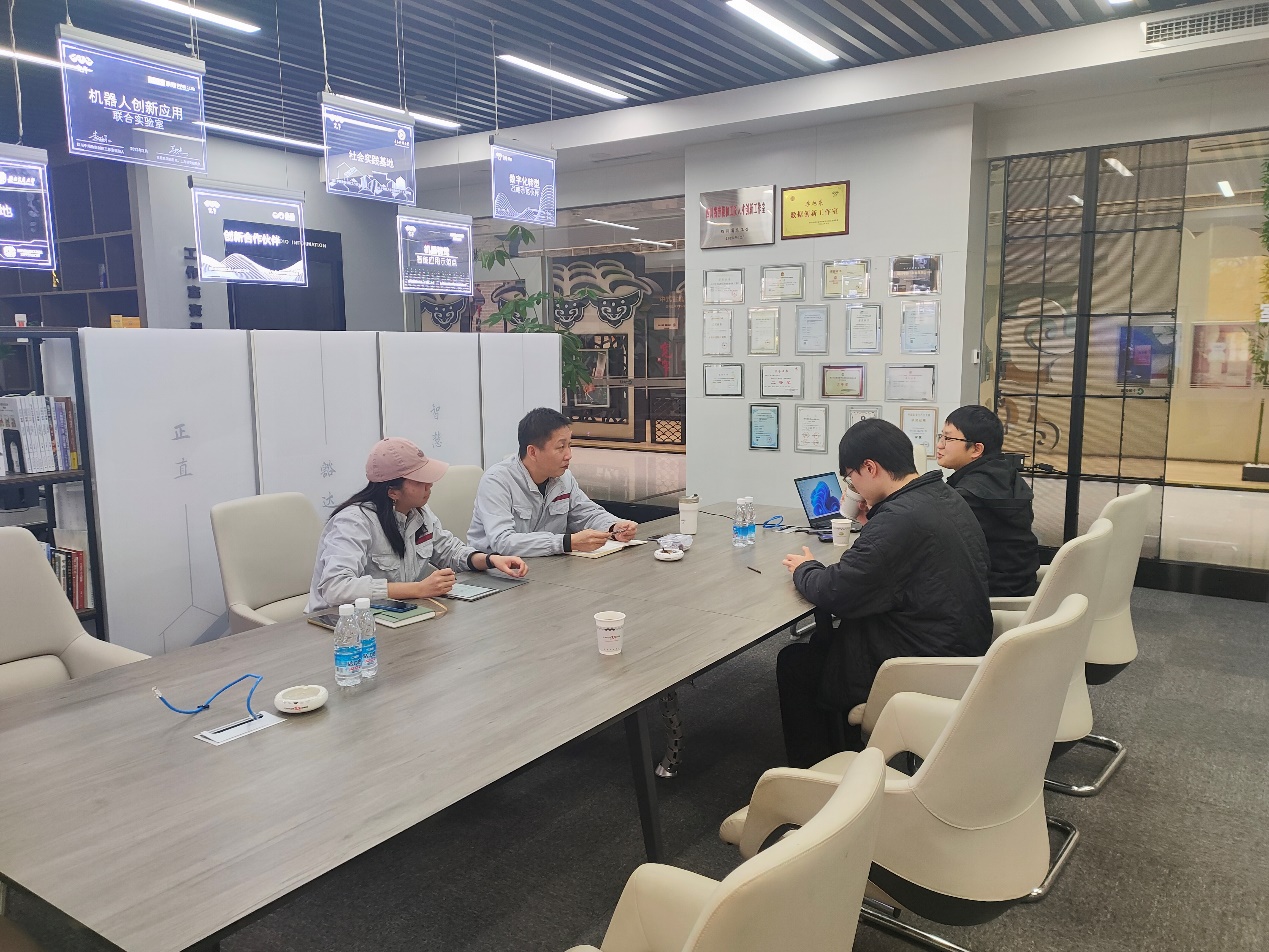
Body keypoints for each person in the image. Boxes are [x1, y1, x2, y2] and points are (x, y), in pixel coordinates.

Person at [778, 418, 992, 769]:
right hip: (959, 645)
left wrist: (805, 568)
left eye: (852, 479)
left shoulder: (899, 520)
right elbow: (890, 564)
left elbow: (836, 590)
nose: (853, 488)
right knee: (823, 643)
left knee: (796, 663)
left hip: (921, 662)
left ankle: (820, 774)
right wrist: (872, 522)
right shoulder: (942, 496)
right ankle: (846, 746)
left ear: (870, 467)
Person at [307, 438, 527, 613]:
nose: (429, 485)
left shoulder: (418, 512)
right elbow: (336, 588)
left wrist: (491, 560)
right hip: (339, 627)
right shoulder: (353, 521)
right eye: (419, 480)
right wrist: (418, 589)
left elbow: (450, 552)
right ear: (392, 491)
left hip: (395, 616)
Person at [467, 407, 638, 556]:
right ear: (532, 452)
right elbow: (503, 541)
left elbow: (586, 513)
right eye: (560, 447)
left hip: (547, 567)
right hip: (494, 573)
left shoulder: (563, 478)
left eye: (569, 445)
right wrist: (566, 542)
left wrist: (614, 526)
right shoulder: (497, 481)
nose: (569, 455)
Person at [936, 405, 1040, 598]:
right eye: (940, 436)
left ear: (976, 449)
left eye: (948, 438)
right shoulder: (1005, 474)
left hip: (990, 593)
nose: (940, 445)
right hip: (1020, 585)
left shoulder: (969, 496)